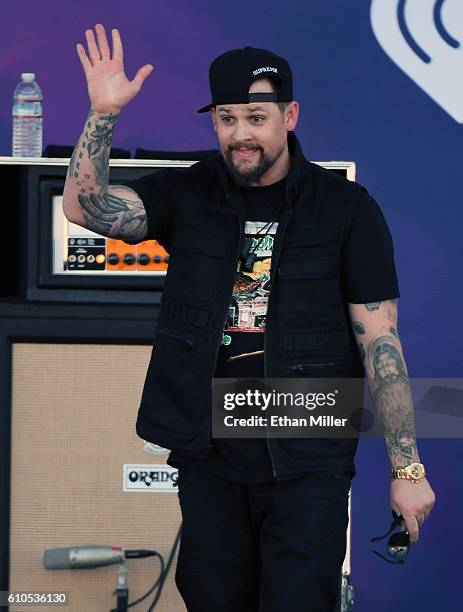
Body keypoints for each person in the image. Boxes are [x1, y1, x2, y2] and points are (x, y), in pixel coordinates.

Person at [64, 24, 436, 612]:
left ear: (289, 115)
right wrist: (102, 112)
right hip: (209, 453)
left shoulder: (346, 210)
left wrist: (408, 470)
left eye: (256, 118)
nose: (242, 135)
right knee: (213, 599)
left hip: (307, 456)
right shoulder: (188, 195)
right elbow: (86, 208)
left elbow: (381, 344)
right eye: (228, 118)